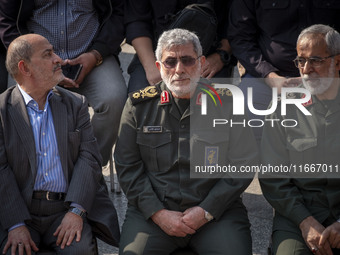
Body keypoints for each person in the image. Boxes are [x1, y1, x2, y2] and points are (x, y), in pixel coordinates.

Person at [114, 28, 259, 255]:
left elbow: (243, 163)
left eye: (187, 60)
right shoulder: (138, 106)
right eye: (170, 62)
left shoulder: (228, 104)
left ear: (201, 63)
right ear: (159, 67)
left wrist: (206, 210)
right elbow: (127, 166)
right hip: (153, 214)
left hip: (216, 213)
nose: (179, 69)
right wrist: (158, 214)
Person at [0, 34, 120, 255]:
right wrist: (15, 224)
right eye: (48, 54)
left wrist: (76, 212)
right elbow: (1, 170)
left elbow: (89, 158)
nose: (59, 59)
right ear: (24, 68)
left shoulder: (75, 104)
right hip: (21, 209)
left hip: (64, 207)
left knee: (81, 250)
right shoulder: (2, 111)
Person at [0, 0, 127, 165]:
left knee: (114, 99)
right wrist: (36, 64)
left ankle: (90, 167)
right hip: (34, 61)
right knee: (18, 107)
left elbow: (118, 15)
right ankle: (34, 172)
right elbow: (6, 21)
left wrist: (96, 54)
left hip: (91, 56)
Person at [259, 24, 340, 255]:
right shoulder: (283, 106)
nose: (306, 70)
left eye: (315, 60)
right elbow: (273, 177)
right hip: (298, 215)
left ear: (338, 62)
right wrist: (305, 221)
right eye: (301, 61)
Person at [227, 0, 340, 145]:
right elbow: (240, 38)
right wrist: (269, 76)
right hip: (266, 78)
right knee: (244, 119)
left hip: (326, 75)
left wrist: (317, 73)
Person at [124, 0, 234, 93]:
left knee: (211, 109)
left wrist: (221, 55)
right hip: (153, 54)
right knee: (141, 105)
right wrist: (151, 67)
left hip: (210, 56)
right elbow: (136, 21)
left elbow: (237, 22)